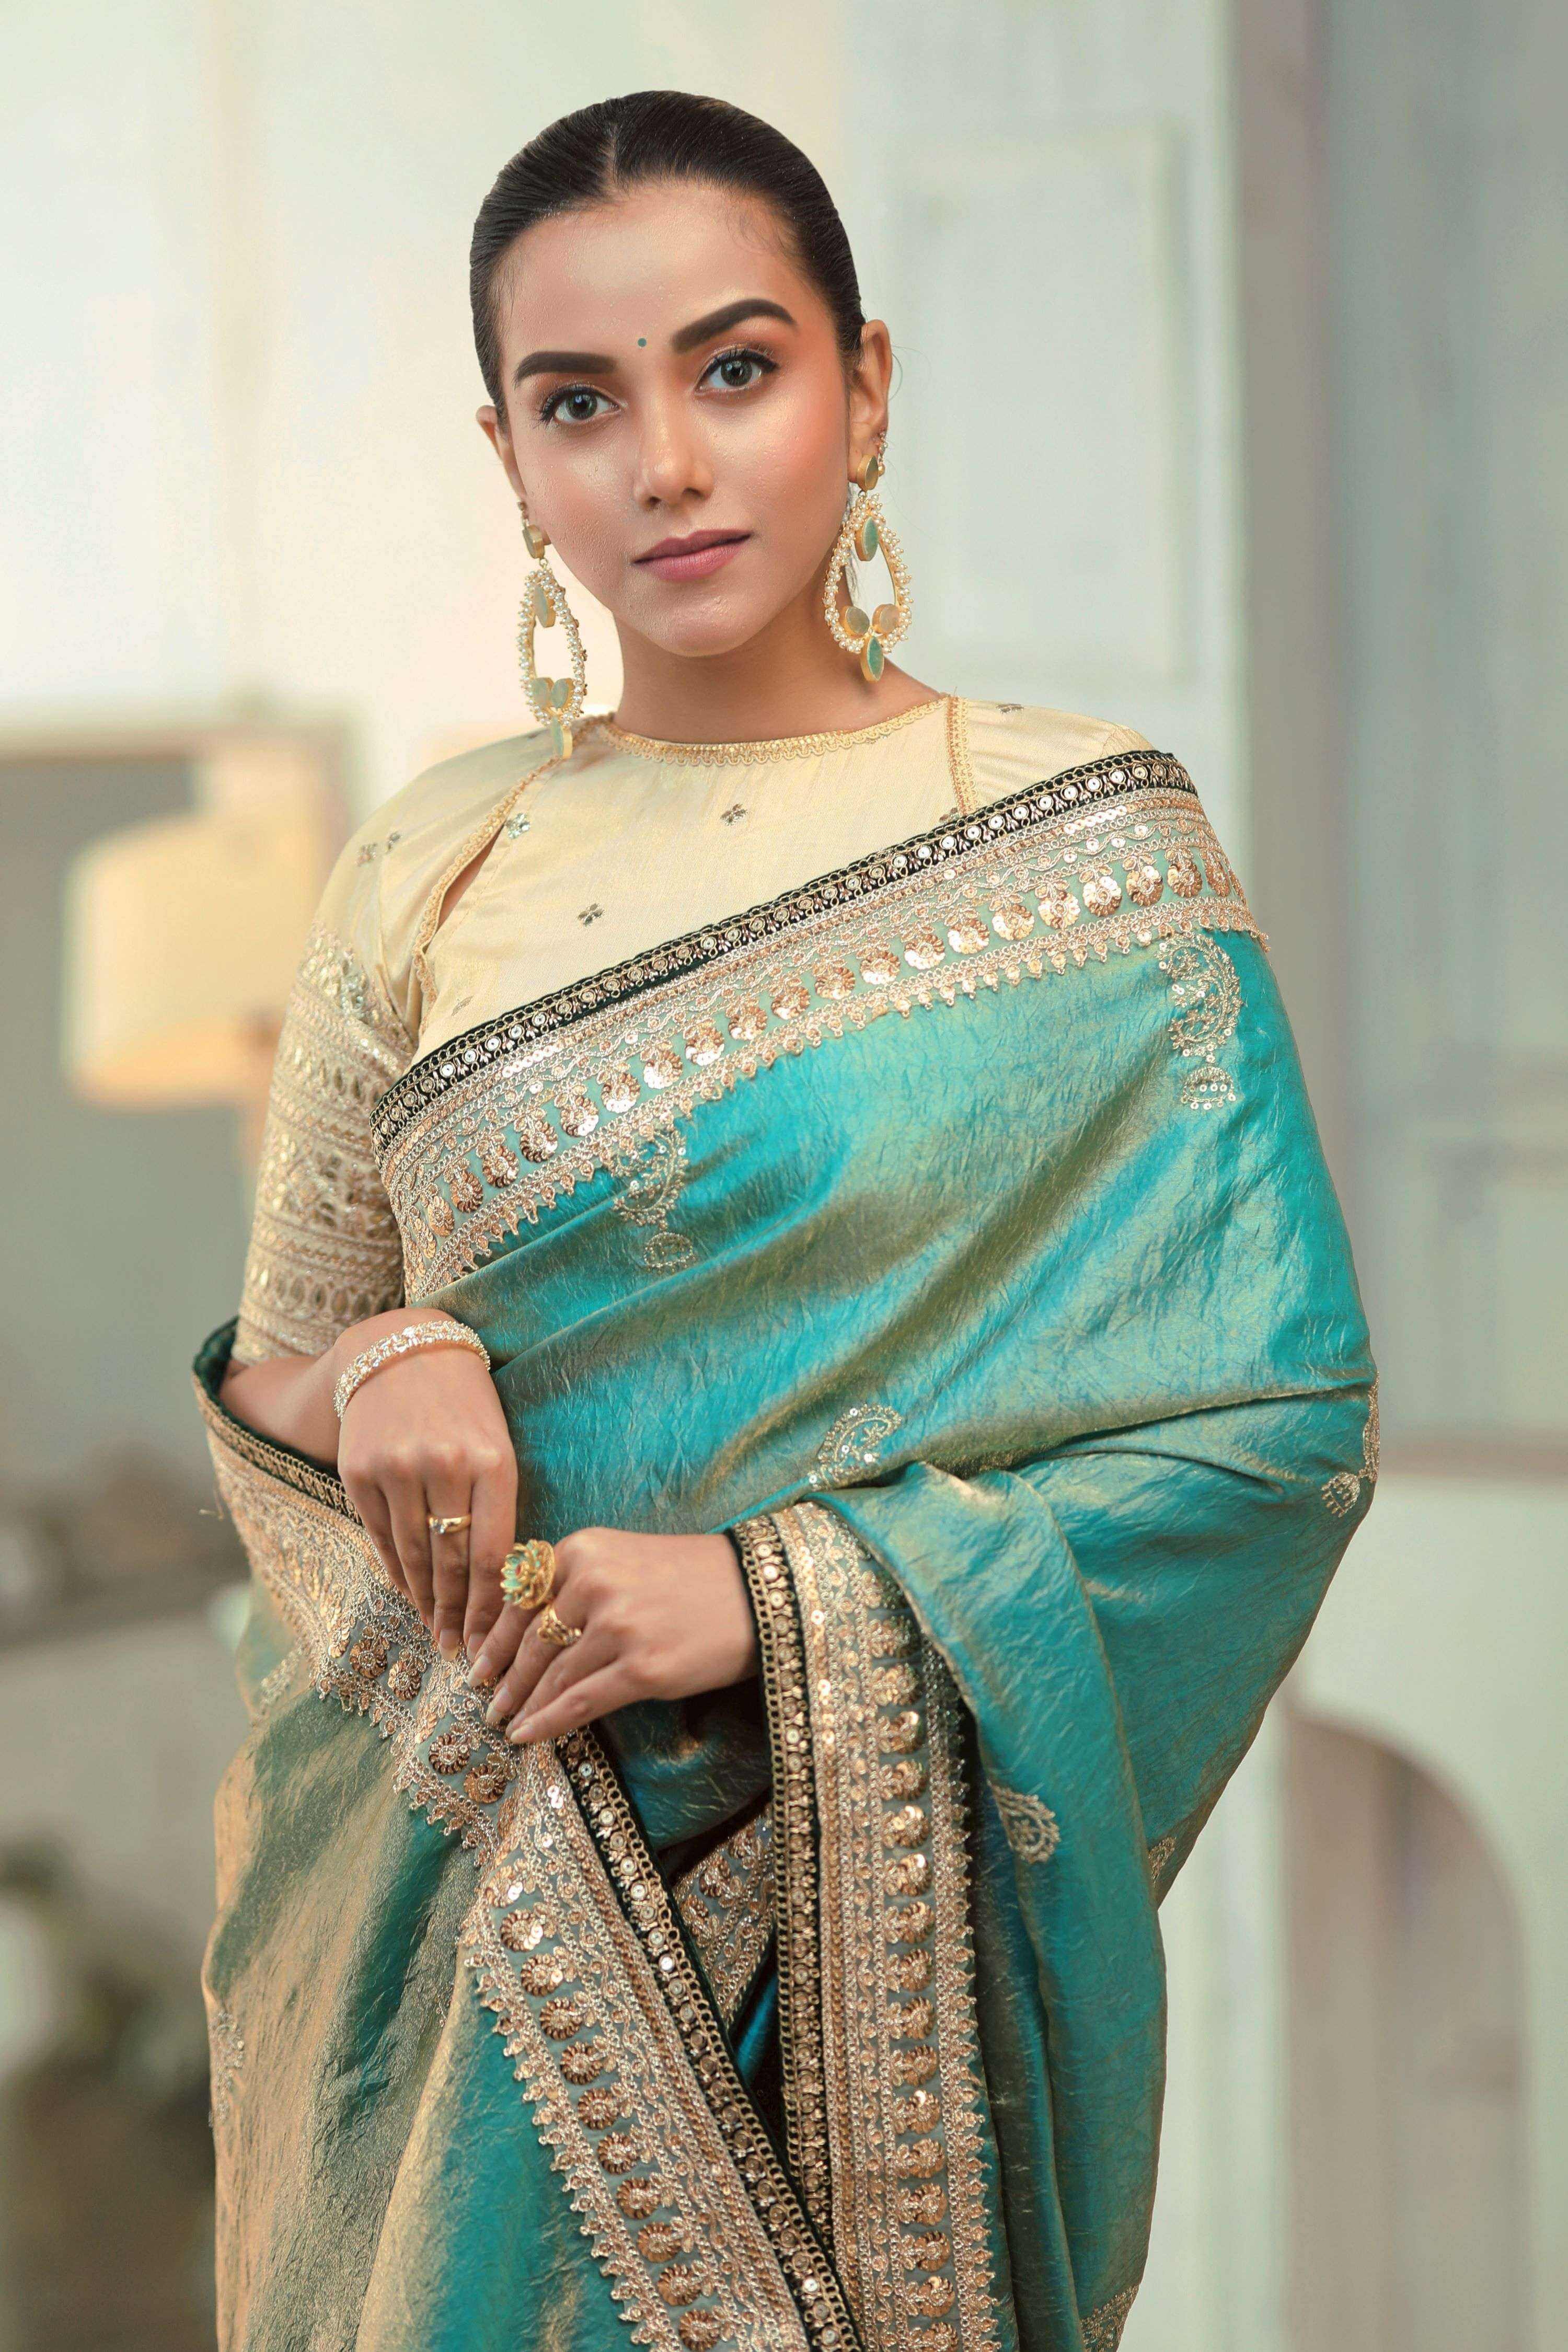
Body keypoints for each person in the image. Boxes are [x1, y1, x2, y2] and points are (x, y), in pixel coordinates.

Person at [192, 89, 1377, 2352]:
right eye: (579, 404)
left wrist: (776, 1599)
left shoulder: (1089, 852)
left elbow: (1273, 1426)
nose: (665, 462)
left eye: (735, 369)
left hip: (855, 2001)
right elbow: (279, 1377)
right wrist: (394, 1356)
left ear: (868, 383)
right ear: (510, 456)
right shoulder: (428, 868)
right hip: (472, 1958)